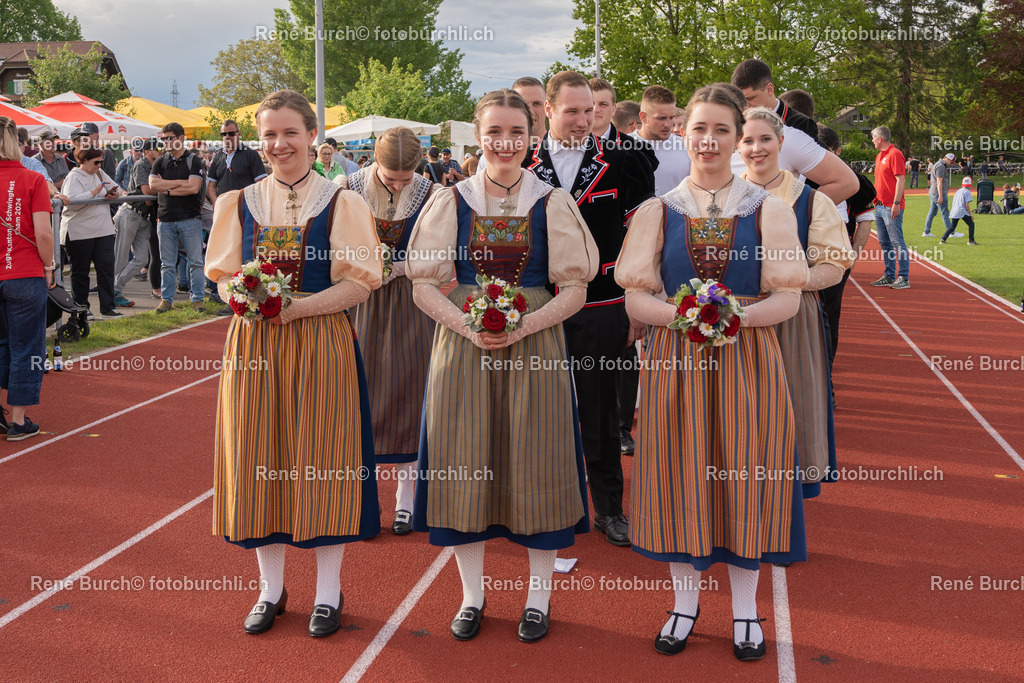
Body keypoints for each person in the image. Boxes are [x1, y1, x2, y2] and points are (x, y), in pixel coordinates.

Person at [615, 83, 809, 662]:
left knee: (747, 478)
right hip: (677, 362)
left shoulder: (769, 210)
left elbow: (788, 298)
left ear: (737, 138)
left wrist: (731, 319)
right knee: (679, 478)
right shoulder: (657, 211)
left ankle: (746, 610)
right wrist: (687, 318)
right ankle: (684, 605)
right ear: (683, 133)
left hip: (748, 361)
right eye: (698, 128)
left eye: (721, 130)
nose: (708, 140)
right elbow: (635, 297)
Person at [407, 88, 598, 643]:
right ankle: (472, 596)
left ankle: (537, 598)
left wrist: (523, 326)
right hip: (462, 343)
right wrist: (469, 326)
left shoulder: (552, 201)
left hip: (534, 344)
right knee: (462, 460)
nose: (505, 142)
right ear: (478, 135)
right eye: (494, 131)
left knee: (538, 461)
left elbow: (576, 288)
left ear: (532, 136)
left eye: (517, 132)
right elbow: (423, 285)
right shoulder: (452, 199)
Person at [204, 89, 382, 639]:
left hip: (320, 340)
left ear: (311, 136)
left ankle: (328, 591)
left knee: (324, 457)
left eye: (289, 133)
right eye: (269, 135)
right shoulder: (239, 201)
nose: (279, 144)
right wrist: (245, 298)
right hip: (254, 345)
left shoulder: (343, 202)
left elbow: (360, 283)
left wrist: (296, 308)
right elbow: (222, 276)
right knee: (258, 455)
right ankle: (270, 589)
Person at [525, 71, 655, 547]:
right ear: (548, 110)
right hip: (537, 308)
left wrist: (637, 303)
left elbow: (642, 239)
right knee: (537, 411)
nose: (584, 120)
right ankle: (542, 505)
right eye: (572, 111)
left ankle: (609, 508)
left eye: (591, 110)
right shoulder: (521, 162)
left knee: (600, 413)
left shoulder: (624, 160)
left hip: (602, 305)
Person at [739, 107, 854, 498]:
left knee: (793, 408)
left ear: (781, 142)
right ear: (737, 146)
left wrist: (785, 281)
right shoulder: (720, 197)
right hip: (735, 318)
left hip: (793, 319)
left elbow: (833, 268)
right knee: (739, 411)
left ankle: (786, 504)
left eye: (765, 139)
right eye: (748, 140)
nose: (756, 148)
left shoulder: (811, 200)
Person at [335, 126, 439, 535]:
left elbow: (439, 253)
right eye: (390, 178)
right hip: (357, 300)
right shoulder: (347, 189)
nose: (398, 184)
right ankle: (360, 500)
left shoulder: (431, 194)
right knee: (356, 396)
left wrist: (395, 266)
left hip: (412, 301)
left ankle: (405, 498)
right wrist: (364, 264)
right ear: (373, 163)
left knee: (410, 394)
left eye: (405, 178)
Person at [730, 60, 858, 204]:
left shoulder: (798, 129)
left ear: (769, 89)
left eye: (750, 98)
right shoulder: (730, 129)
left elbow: (845, 180)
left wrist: (799, 211)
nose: (745, 106)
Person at [0, 115, 56, 441]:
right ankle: (18, 420)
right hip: (24, 273)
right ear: (17, 143)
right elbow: (44, 233)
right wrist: (48, 266)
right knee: (28, 345)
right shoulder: (33, 179)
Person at [815, 125, 875, 388]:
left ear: (836, 152)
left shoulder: (856, 181)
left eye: (826, 153)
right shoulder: (800, 176)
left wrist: (853, 256)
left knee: (829, 313)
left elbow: (865, 219)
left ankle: (825, 375)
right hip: (799, 254)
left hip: (836, 258)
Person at [149, 122, 207, 313]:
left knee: (195, 261)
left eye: (169, 138)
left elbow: (194, 188)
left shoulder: (194, 160)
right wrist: (180, 183)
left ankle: (197, 299)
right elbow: (153, 185)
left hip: (190, 218)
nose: (165, 142)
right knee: (167, 263)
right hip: (165, 219)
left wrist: (166, 188)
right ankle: (166, 300)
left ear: (181, 138)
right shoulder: (160, 161)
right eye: (163, 138)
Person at [60, 147, 123, 319]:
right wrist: (93, 193)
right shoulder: (73, 176)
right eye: (96, 162)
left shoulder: (100, 173)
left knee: (106, 267)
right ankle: (81, 308)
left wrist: (113, 194)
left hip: (103, 229)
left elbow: (118, 189)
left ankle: (108, 307)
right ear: (84, 161)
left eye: (101, 161)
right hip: (79, 231)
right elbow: (70, 201)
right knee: (80, 271)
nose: (99, 165)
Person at [112, 137, 161, 307]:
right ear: (147, 152)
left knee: (141, 258)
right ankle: (114, 293)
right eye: (156, 148)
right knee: (121, 257)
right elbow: (146, 190)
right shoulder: (142, 164)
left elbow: (150, 191)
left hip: (144, 217)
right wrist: (164, 188)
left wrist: (158, 188)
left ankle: (114, 288)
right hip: (130, 212)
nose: (160, 151)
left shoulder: (156, 165)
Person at [630, 85, 691, 196]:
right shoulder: (622, 147)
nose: (668, 124)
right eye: (661, 118)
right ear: (643, 117)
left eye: (671, 117)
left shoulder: (686, 146)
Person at [870, 126, 910, 289]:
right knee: (884, 242)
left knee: (897, 241)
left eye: (873, 138)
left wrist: (896, 203)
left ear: (880, 139)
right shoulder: (879, 156)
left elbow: (900, 180)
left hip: (890, 206)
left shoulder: (895, 154)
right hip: (879, 206)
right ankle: (889, 275)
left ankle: (904, 277)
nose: (872, 141)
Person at [923, 153, 955, 237]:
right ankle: (951, 232)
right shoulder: (941, 166)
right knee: (945, 213)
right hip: (938, 193)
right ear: (947, 159)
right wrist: (940, 196)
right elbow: (939, 181)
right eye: (951, 162)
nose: (951, 164)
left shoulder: (938, 164)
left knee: (932, 212)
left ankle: (926, 231)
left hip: (933, 192)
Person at [943, 176, 978, 245]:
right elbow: (967, 205)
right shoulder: (967, 192)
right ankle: (971, 240)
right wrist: (970, 214)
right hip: (961, 211)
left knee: (952, 226)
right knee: (971, 224)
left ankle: (943, 239)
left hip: (955, 210)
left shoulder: (958, 191)